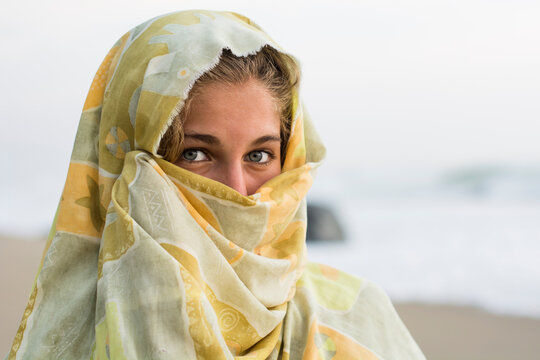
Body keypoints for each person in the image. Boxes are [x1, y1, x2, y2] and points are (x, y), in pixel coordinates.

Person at [7, 10, 425, 359]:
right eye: (195, 154)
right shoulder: (64, 338)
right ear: (124, 164)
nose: (238, 189)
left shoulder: (360, 323)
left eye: (259, 156)